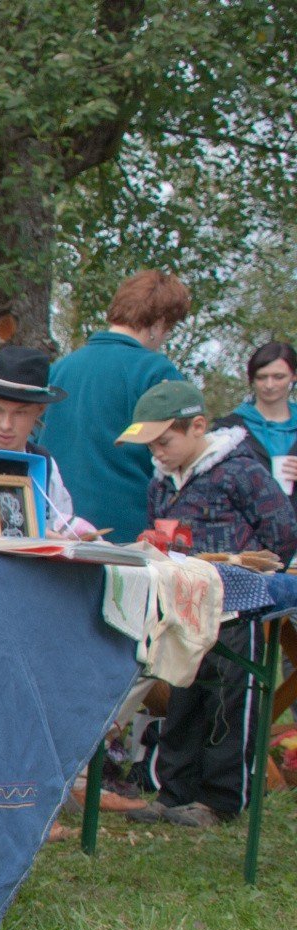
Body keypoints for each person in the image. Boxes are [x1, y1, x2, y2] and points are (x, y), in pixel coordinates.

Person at [117, 380, 297, 828]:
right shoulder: (161, 482)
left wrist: (255, 571)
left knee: (231, 696)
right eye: (151, 445)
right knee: (183, 693)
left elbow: (282, 530)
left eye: (164, 441)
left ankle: (219, 799)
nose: (157, 452)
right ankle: (173, 790)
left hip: (238, 606)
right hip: (183, 608)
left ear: (197, 426)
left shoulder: (241, 471)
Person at [39, 270, 191, 540]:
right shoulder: (155, 372)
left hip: (57, 526)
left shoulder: (60, 368)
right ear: (158, 325)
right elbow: (180, 454)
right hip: (127, 531)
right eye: (169, 329)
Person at [0, 344, 96, 537]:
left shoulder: (43, 462)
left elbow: (62, 521)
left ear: (40, 410)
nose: (6, 424)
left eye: (20, 413)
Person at [214, 341, 297, 493]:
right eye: (261, 377)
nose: (269, 385)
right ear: (251, 379)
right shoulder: (227, 429)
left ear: (294, 376)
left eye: (278, 377)